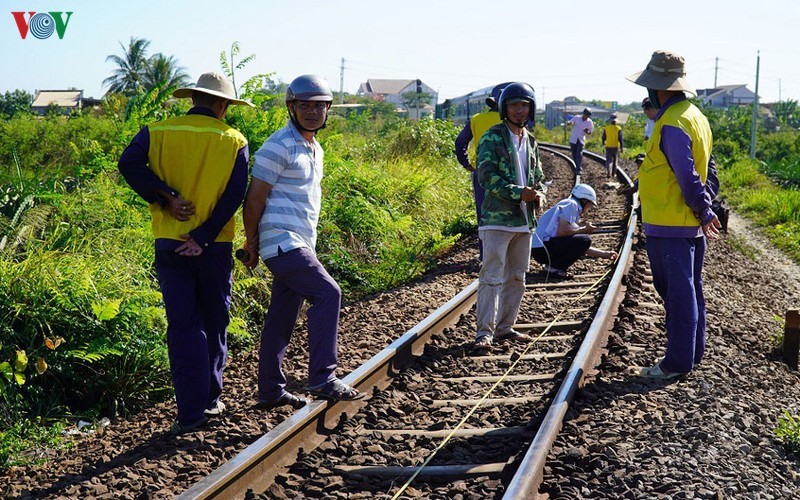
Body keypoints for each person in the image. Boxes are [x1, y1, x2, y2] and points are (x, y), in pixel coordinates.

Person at [118, 72, 253, 434]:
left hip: (169, 242)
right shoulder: (234, 140)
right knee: (214, 320)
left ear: (193, 98)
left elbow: (128, 165)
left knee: (183, 326)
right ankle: (210, 399)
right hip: (214, 246)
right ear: (223, 105)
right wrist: (205, 236)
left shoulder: (157, 131)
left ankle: (190, 411)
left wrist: (166, 196)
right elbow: (235, 194)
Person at [242, 74, 360, 407]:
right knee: (328, 293)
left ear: (327, 110)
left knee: (281, 317)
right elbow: (254, 199)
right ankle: (323, 378)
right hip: (282, 242)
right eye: (304, 105)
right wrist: (252, 243)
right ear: (291, 107)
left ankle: (270, 391)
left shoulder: (314, 148)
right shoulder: (278, 144)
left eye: (319, 106)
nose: (312, 112)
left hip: (299, 243)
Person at [626, 50, 722, 380]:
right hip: (684, 222)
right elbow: (709, 169)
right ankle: (691, 353)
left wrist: (704, 209)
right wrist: (704, 206)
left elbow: (687, 175)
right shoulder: (695, 115)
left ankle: (677, 363)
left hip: (670, 223)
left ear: (658, 88)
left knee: (678, 294)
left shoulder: (670, 122)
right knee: (690, 289)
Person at [473, 82, 546, 351]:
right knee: (491, 275)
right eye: (514, 105)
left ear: (531, 109)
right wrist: (518, 193)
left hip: (524, 221)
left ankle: (505, 327)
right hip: (496, 219)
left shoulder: (532, 141)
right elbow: (486, 176)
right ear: (505, 108)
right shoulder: (492, 137)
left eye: (524, 105)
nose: (519, 110)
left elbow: (539, 178)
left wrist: (539, 193)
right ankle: (484, 332)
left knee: (517, 276)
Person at [454, 82, 511, 260]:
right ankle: (506, 253)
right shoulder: (510, 121)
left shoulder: (476, 119)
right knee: (509, 212)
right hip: (508, 174)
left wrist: (466, 164)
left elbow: (460, 142)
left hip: (483, 173)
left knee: (483, 214)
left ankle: (484, 254)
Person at [531, 184, 618, 278]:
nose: (589, 208)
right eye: (590, 204)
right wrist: (584, 230)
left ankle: (552, 267)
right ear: (584, 200)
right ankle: (554, 269)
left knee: (583, 240)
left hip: (540, 249)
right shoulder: (571, 204)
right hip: (542, 249)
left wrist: (605, 254)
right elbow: (563, 232)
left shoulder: (570, 204)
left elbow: (576, 244)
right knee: (585, 239)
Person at [567, 108, 594, 175]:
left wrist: (587, 131)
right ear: (583, 114)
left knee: (579, 154)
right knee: (574, 154)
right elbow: (571, 122)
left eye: (588, 116)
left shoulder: (589, 122)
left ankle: (578, 169)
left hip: (581, 139)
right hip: (574, 138)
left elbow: (590, 132)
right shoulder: (577, 118)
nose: (586, 117)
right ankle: (577, 166)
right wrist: (570, 123)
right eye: (585, 115)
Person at [601, 113, 624, 178]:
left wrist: (603, 143)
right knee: (615, 161)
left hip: (608, 146)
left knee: (608, 160)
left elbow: (603, 137)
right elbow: (620, 139)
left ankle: (608, 171)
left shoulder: (606, 128)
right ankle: (613, 174)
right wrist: (622, 147)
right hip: (615, 146)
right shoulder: (618, 128)